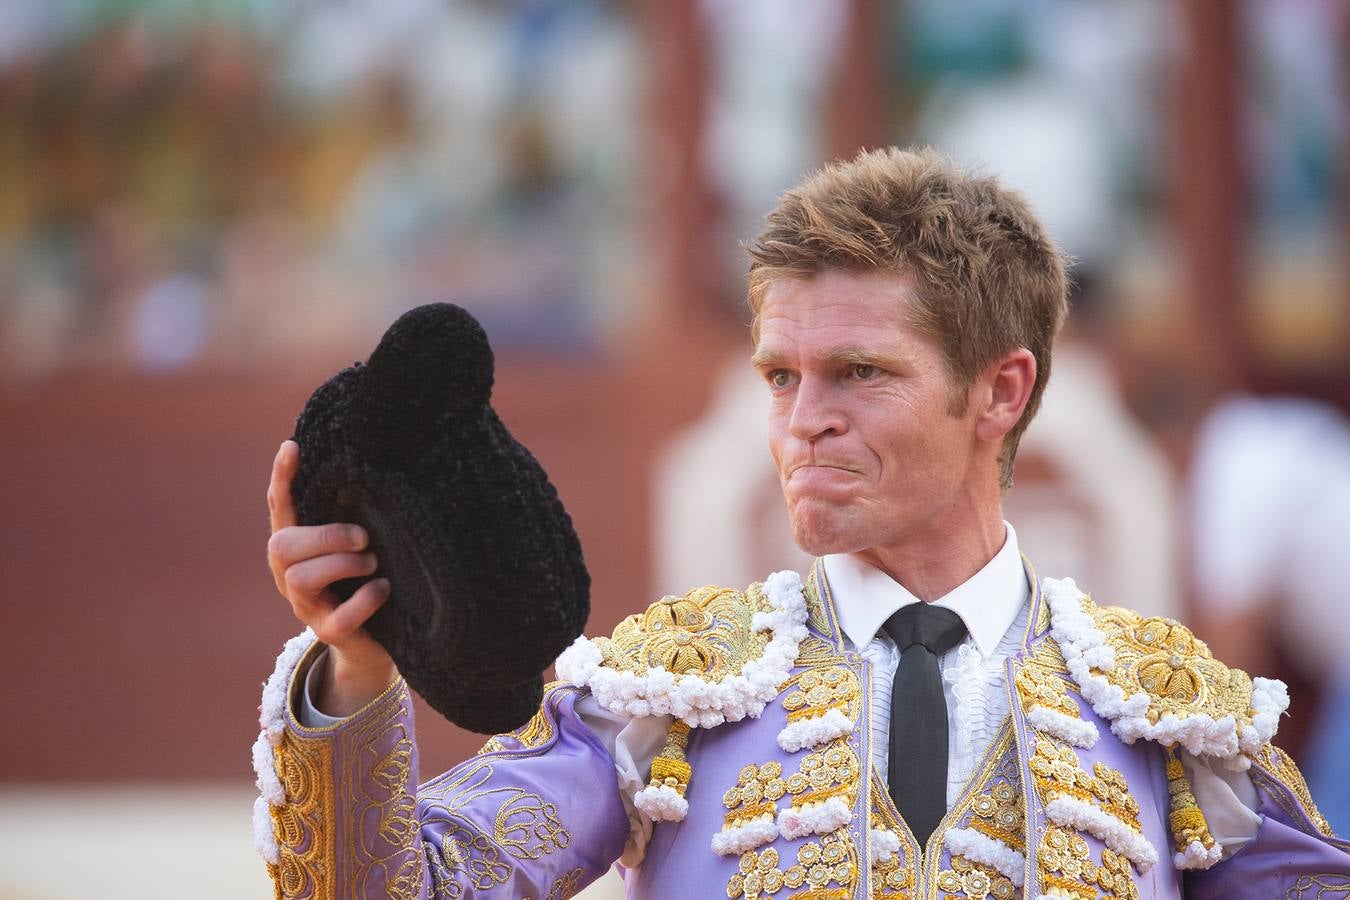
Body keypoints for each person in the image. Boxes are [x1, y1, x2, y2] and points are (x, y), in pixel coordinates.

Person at [254, 147, 1350, 898]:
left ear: (1001, 392)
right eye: (781, 377)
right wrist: (354, 676)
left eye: (860, 374)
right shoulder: (660, 698)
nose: (803, 424)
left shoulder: (1176, 725)